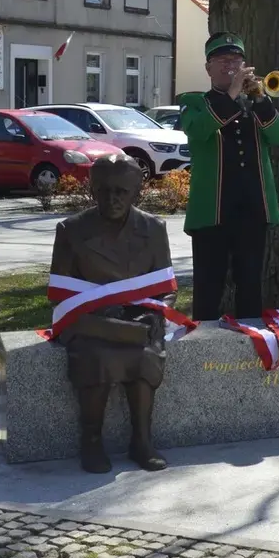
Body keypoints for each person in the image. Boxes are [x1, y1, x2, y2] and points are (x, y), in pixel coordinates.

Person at [50, 154, 174, 473]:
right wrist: (97, 316)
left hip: (136, 321)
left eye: (121, 191)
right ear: (92, 191)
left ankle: (142, 441)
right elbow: (60, 294)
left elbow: (165, 287)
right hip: (91, 323)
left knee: (144, 354)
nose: (112, 198)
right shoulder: (71, 230)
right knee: (97, 356)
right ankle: (91, 441)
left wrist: (156, 315)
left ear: (136, 192)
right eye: (104, 190)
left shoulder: (154, 228)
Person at [178, 32, 279, 321]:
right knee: (208, 286)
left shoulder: (256, 102)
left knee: (250, 285)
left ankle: (250, 350)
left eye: (236, 60)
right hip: (212, 210)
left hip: (253, 209)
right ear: (208, 67)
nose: (231, 66)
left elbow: (278, 136)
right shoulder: (194, 102)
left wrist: (262, 99)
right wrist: (231, 94)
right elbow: (198, 130)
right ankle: (202, 349)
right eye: (223, 60)